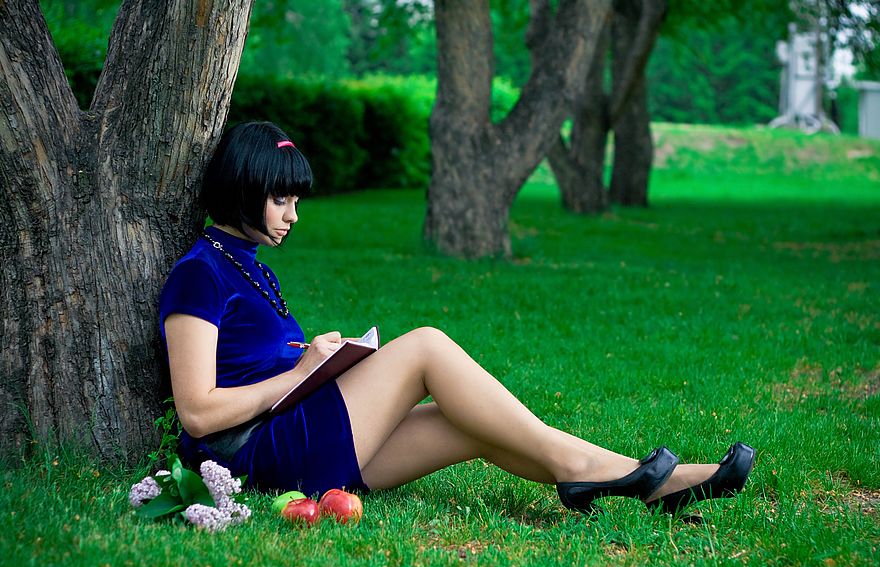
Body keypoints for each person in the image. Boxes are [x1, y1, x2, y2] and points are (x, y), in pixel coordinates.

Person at [159, 120, 755, 518]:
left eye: (297, 201)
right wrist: (298, 374)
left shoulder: (251, 266)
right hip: (254, 456)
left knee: (470, 423)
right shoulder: (200, 272)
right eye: (281, 200)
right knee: (425, 346)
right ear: (242, 190)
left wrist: (317, 364)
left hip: (295, 433)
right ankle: (599, 473)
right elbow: (198, 411)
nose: (293, 215)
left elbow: (253, 363)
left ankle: (644, 482)